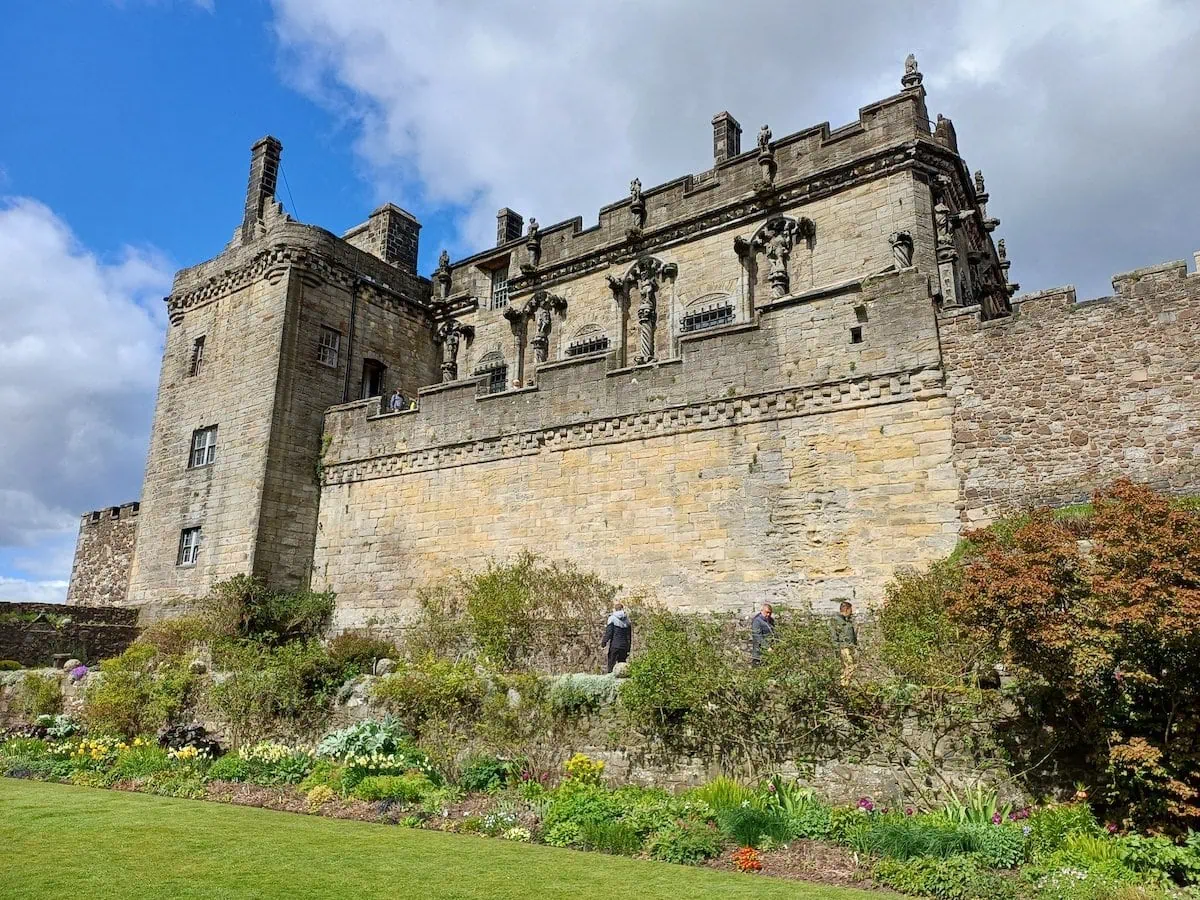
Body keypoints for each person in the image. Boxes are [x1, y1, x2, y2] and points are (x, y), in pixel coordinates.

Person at [831, 600, 858, 686]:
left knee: (851, 666)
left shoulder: (847, 621)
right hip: (844, 647)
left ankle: (846, 684)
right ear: (846, 610)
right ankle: (844, 685)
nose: (851, 612)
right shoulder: (836, 621)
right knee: (850, 666)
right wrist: (836, 649)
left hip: (850, 647)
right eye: (850, 610)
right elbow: (834, 636)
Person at [601, 602, 632, 673]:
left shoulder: (612, 618)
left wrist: (604, 642)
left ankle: (610, 680)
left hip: (615, 646)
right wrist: (628, 648)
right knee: (622, 667)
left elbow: (609, 633)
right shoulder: (627, 620)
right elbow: (629, 636)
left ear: (615, 609)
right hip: (624, 646)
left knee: (611, 665)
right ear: (622, 609)